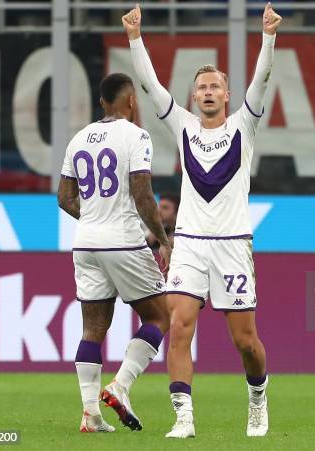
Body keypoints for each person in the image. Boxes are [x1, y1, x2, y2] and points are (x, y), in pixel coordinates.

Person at [121, 2, 281, 438]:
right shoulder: (183, 125)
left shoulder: (244, 125)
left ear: (227, 95)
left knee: (245, 342)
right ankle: (183, 418)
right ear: (194, 96)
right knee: (178, 327)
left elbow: (261, 78)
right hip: (189, 242)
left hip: (232, 244)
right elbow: (151, 86)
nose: (208, 92)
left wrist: (268, 35)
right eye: (202, 87)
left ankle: (257, 398)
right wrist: (135, 37)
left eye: (215, 87)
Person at [58, 72, 172, 433]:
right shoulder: (136, 136)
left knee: (92, 330)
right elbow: (142, 195)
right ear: (131, 101)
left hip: (86, 242)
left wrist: (92, 217)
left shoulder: (77, 140)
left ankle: (90, 414)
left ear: (102, 103)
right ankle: (120, 386)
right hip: (122, 240)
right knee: (158, 318)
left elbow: (63, 197)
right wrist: (163, 239)